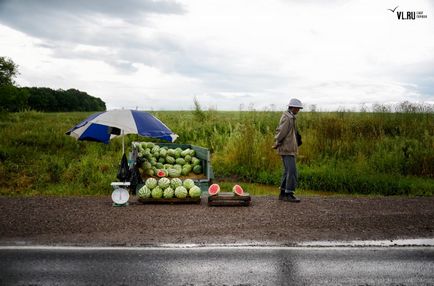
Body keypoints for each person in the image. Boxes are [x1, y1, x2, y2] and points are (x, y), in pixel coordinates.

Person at [273, 98, 303, 203]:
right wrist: (277, 142)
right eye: (298, 108)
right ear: (293, 107)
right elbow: (281, 132)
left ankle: (282, 194)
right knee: (292, 171)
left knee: (287, 171)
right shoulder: (288, 118)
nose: (298, 110)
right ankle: (289, 194)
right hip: (287, 148)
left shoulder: (290, 117)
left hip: (288, 148)